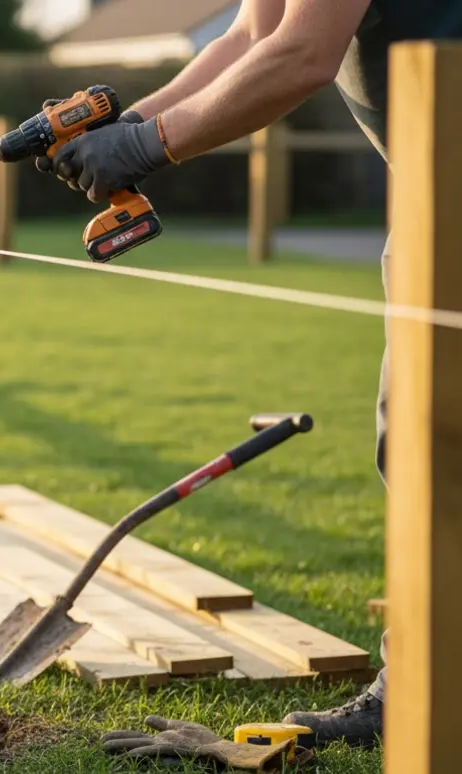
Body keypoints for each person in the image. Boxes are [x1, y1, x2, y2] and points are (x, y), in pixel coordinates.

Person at [44, 0, 462, 750]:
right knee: (419, 448)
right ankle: (424, 687)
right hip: (439, 193)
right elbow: (251, 35)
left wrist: (144, 145)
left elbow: (301, 55)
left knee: (439, 452)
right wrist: (126, 127)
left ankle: (424, 695)